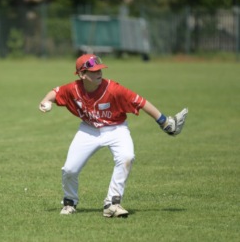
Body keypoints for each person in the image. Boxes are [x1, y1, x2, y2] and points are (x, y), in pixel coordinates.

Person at [39, 54, 187, 218]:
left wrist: (163, 121)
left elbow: (141, 102)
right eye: (93, 71)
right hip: (89, 130)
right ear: (82, 75)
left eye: (99, 70)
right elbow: (56, 92)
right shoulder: (74, 89)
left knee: (127, 157)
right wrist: (46, 101)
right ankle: (69, 202)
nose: (98, 73)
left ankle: (112, 203)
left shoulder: (113, 89)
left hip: (117, 128)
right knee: (69, 169)